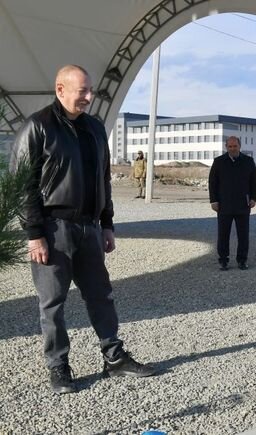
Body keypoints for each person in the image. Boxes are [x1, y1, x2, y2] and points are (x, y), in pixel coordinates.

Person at [12, 64, 156, 394]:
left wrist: (106, 224)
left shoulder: (93, 129)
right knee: (53, 303)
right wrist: (34, 233)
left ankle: (115, 358)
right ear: (60, 89)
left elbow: (102, 179)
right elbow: (23, 185)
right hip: (52, 229)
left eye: (90, 91)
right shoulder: (38, 128)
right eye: (83, 91)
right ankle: (59, 367)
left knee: (101, 296)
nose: (90, 97)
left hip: (89, 228)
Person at [208, 136, 256, 271]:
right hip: (224, 205)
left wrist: (254, 198)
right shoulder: (218, 162)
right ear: (226, 147)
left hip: (243, 204)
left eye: (234, 146)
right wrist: (213, 200)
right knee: (223, 235)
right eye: (230, 146)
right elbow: (212, 183)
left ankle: (242, 260)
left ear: (239, 146)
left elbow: (254, 182)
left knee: (243, 235)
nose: (232, 149)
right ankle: (223, 260)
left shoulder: (248, 161)